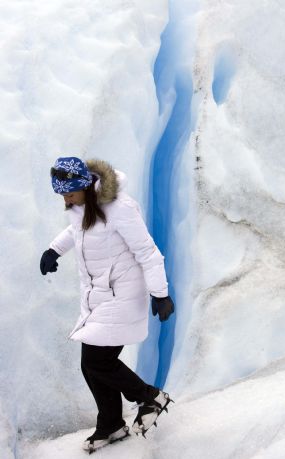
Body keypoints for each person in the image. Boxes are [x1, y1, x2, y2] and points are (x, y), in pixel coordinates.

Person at [40, 156, 175, 453]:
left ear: (85, 186)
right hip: (99, 297)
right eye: (61, 194)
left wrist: (160, 293)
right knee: (91, 365)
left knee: (97, 361)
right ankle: (111, 424)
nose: (66, 199)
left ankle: (150, 397)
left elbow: (147, 252)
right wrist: (54, 251)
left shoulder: (120, 208)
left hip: (123, 295)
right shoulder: (80, 207)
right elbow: (75, 231)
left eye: (69, 193)